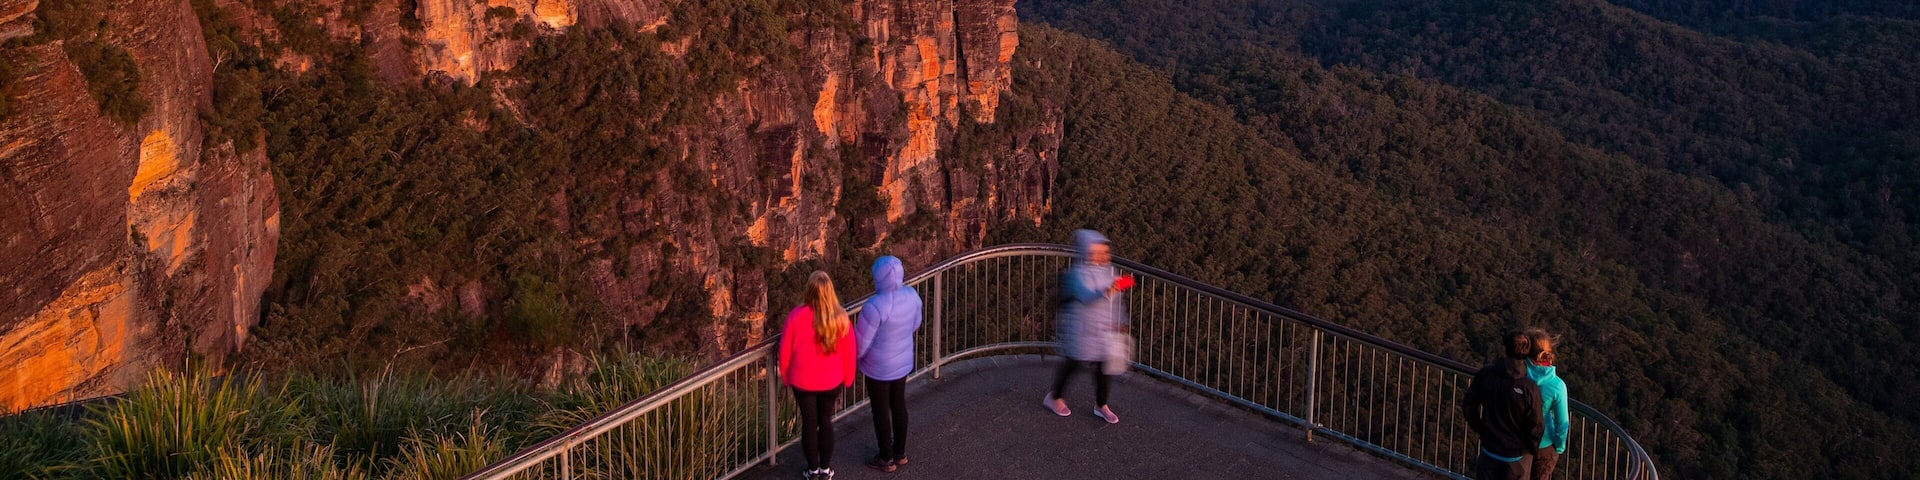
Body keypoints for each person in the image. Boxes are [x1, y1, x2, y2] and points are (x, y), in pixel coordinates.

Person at [1043, 229, 1136, 424]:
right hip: (1081, 328)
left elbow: (1117, 301)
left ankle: (1101, 405)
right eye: (1095, 252)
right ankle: (1054, 397)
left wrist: (1121, 322)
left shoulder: (1111, 272)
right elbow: (1085, 297)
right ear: (1085, 252)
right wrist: (1108, 291)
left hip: (1103, 330)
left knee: (1104, 367)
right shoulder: (1077, 274)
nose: (1100, 256)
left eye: (1103, 252)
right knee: (1073, 363)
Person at [779, 271, 857, 480]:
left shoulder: (796, 316)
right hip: (832, 381)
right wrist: (848, 378)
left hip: (802, 382)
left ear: (809, 291)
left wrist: (786, 377)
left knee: (809, 423)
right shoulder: (841, 318)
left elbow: (784, 351)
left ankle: (812, 470)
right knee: (826, 421)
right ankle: (825, 469)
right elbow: (849, 353)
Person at [855, 256, 921, 472]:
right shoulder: (912, 296)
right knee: (899, 405)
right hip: (902, 363)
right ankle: (900, 453)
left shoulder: (874, 306)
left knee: (880, 411)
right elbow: (915, 324)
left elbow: (861, 344)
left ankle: (886, 458)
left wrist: (854, 359)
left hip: (878, 368)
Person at [1463, 331, 1545, 480]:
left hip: (1489, 451)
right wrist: (1530, 449)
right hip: (1517, 457)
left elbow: (1469, 406)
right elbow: (1536, 425)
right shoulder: (1529, 388)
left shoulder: (1486, 376)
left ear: (1505, 349)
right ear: (1527, 353)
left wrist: (1482, 429)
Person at [1524, 328, 1570, 479]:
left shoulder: (1518, 375)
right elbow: (1562, 422)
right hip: (1544, 445)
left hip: (1517, 442)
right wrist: (1559, 447)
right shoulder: (1557, 385)